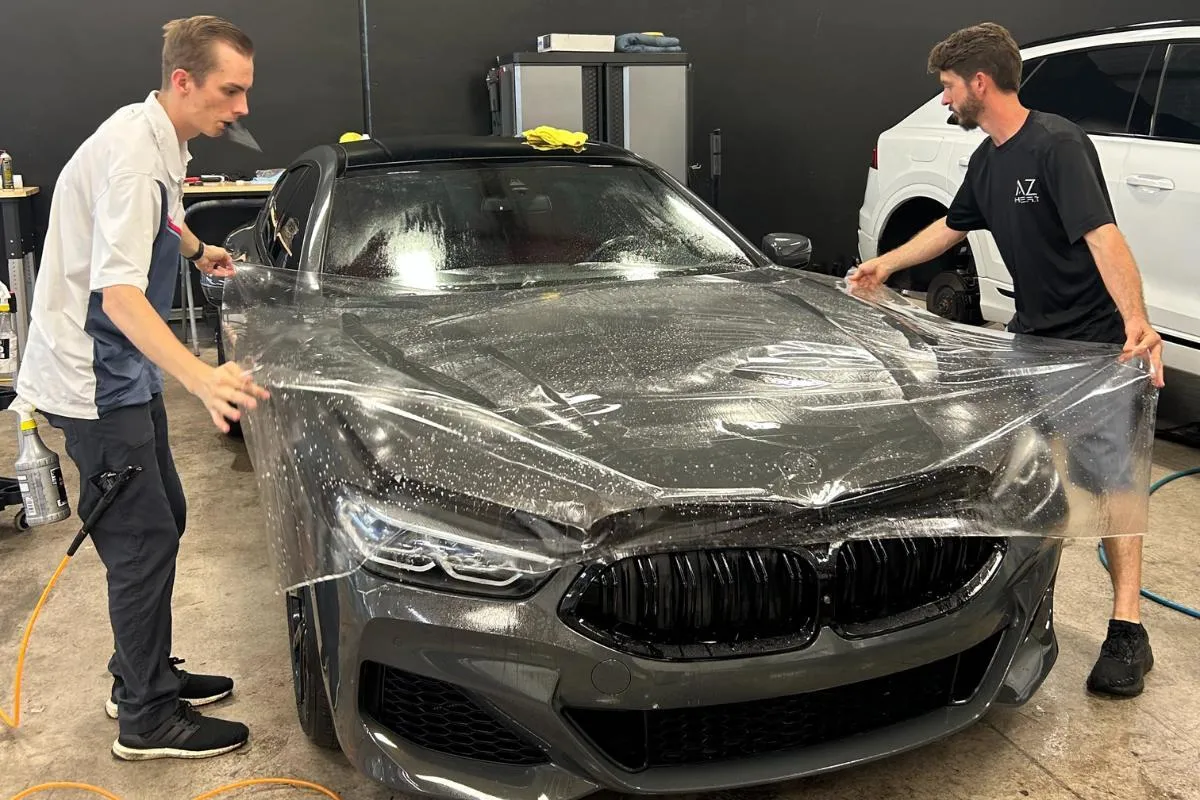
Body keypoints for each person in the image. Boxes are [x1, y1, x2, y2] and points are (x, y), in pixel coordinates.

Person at [848, 22, 1162, 698]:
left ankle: (1128, 630)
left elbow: (1104, 237)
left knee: (1112, 488)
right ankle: (1008, 606)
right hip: (1029, 342)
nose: (944, 100)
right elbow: (950, 226)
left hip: (1092, 346)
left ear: (979, 82)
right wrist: (884, 264)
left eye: (948, 87)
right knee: (1014, 474)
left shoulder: (1057, 145)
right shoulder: (989, 161)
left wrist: (1136, 321)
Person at [15, 16, 270, 759]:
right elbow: (122, 297)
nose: (242, 108)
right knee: (140, 540)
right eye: (231, 90)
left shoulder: (158, 137)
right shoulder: (133, 156)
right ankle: (146, 716)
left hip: (120, 370)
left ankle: (141, 670)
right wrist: (201, 377)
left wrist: (198, 248)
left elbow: (157, 220)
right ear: (183, 81)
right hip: (92, 378)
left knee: (165, 519)